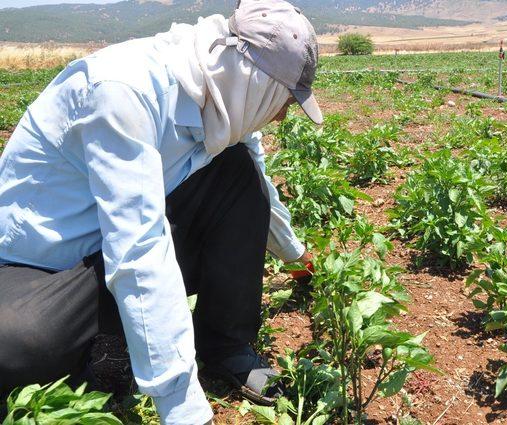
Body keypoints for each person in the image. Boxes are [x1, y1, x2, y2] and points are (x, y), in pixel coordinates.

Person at [0, 1, 321, 424]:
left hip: (111, 245)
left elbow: (257, 188)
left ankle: (223, 345)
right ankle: (111, 350)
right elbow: (138, 251)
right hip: (41, 266)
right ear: (256, 82)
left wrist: (297, 257)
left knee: (238, 172)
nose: (280, 115)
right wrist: (184, 411)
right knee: (21, 343)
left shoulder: (228, 97)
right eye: (283, 101)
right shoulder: (122, 92)